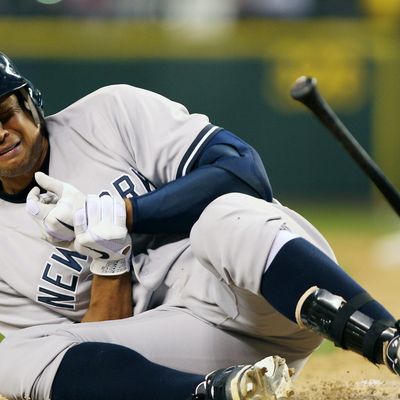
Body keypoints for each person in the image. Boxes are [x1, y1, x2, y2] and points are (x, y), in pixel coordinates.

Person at [0, 51, 398, 400]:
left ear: (30, 102)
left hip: (259, 290)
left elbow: (243, 171)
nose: (1, 134)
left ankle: (389, 339)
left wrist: (125, 213)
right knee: (14, 357)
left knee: (222, 217)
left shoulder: (110, 114)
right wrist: (107, 260)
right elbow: (92, 354)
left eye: (5, 115)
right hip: (186, 343)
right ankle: (218, 394)